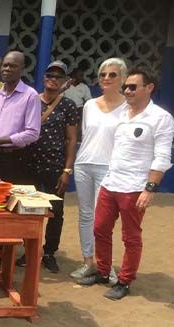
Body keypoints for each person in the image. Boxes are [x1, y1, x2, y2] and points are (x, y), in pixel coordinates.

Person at [77, 66, 174, 300]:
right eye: (126, 87)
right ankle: (102, 272)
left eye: (133, 87)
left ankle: (125, 280)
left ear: (148, 88)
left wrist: (149, 189)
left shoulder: (160, 118)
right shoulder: (121, 115)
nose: (128, 91)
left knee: (130, 237)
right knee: (100, 229)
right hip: (111, 182)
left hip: (134, 187)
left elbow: (162, 157)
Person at [70, 58, 128, 281]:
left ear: (122, 78)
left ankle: (106, 266)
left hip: (108, 167)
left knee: (102, 220)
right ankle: (88, 262)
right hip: (84, 164)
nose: (106, 78)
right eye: (103, 74)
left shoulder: (127, 108)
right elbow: (86, 135)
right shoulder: (90, 105)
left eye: (112, 75)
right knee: (85, 215)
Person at [20, 61, 78, 273]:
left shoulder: (68, 106)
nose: (53, 79)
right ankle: (29, 251)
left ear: (64, 81)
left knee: (56, 212)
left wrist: (66, 170)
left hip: (55, 166)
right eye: (50, 75)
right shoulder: (31, 100)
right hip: (29, 165)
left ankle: (49, 252)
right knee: (28, 211)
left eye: (58, 76)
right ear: (44, 78)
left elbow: (71, 139)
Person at [0, 51, 40, 183]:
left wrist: (1, 140)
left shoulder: (30, 95)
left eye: (13, 66)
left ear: (22, 69)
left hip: (15, 158)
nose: (7, 69)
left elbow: (33, 133)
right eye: (5, 65)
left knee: (12, 200)